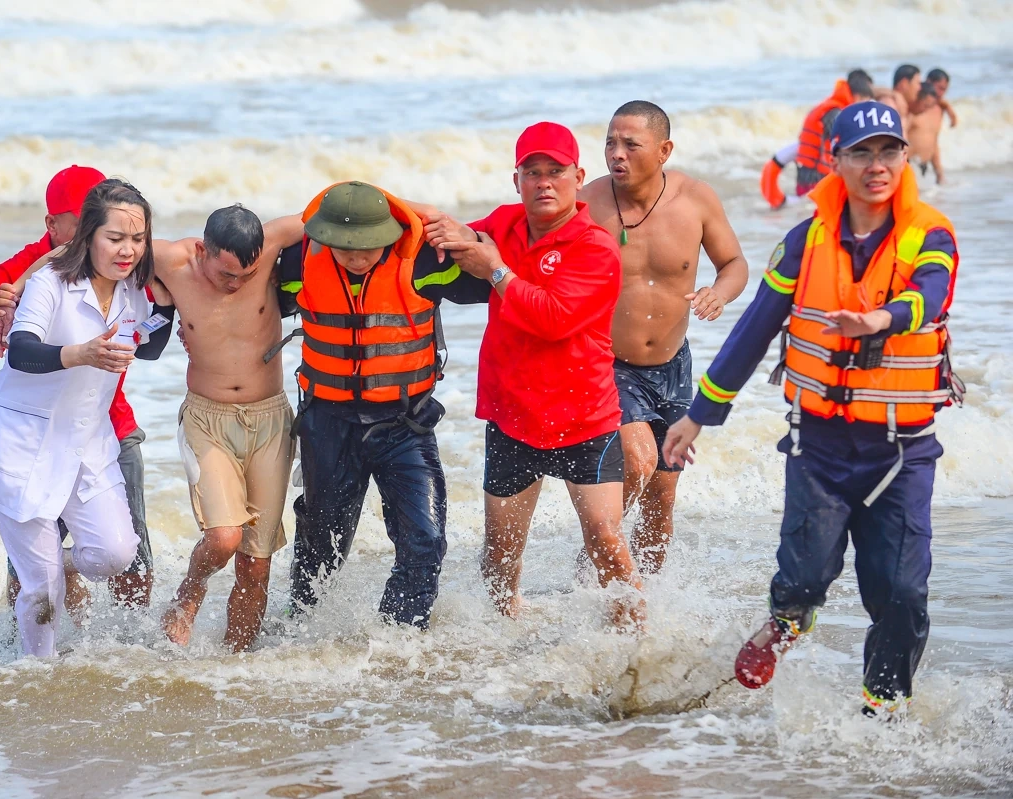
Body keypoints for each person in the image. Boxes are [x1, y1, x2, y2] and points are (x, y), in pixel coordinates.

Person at [663, 102, 961, 717]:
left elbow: (929, 295)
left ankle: (882, 709)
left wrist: (883, 317)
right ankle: (790, 620)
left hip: (901, 454)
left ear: (905, 157)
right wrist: (698, 414)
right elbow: (753, 332)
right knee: (803, 579)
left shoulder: (929, 235)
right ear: (837, 161)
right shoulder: (805, 242)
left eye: (888, 151)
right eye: (861, 152)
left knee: (901, 592)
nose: (876, 166)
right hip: (819, 448)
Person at [426, 122, 642, 627]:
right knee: (500, 558)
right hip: (512, 414)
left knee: (606, 541)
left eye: (556, 172)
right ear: (516, 178)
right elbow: (443, 229)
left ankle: (636, 643)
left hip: (584, 418)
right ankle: (510, 644)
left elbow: (552, 319)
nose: (545, 183)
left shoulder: (596, 247)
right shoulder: (504, 224)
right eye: (533, 172)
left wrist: (495, 269)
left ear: (578, 176)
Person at [0, 179, 175, 657]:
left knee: (116, 555)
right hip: (20, 443)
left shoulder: (133, 291)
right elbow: (20, 351)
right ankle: (36, 676)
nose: (128, 251)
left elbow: (152, 347)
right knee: (43, 593)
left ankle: (47, 559)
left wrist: (166, 302)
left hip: (88, 444)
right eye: (115, 238)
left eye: (137, 240)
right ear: (88, 237)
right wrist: (80, 352)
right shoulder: (50, 282)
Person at [278, 181, 491, 631]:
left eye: (368, 246)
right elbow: (245, 297)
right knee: (320, 541)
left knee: (426, 539)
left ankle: (399, 637)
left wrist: (467, 235)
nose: (357, 257)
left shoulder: (422, 262)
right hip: (327, 422)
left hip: (404, 423)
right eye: (345, 247)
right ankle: (298, 632)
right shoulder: (299, 260)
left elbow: (491, 285)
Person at [578, 101, 749, 574]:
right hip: (610, 365)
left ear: (663, 149)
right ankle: (600, 549)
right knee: (637, 460)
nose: (617, 153)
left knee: (664, 494)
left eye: (631, 144)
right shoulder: (587, 204)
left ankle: (649, 595)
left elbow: (734, 264)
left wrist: (719, 293)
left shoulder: (696, 200)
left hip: (675, 366)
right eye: (610, 142)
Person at [146, 206, 304, 652]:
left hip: (270, 418)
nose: (236, 284)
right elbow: (84, 248)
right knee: (223, 537)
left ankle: (238, 669)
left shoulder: (272, 242)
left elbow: (341, 205)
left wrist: (427, 218)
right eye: (226, 274)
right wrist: (17, 289)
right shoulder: (173, 261)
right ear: (202, 249)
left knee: (256, 565)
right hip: (208, 419)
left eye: (247, 274)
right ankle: (190, 591)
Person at [795, 69, 875, 197]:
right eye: (866, 100)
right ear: (858, 97)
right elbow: (844, 146)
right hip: (815, 181)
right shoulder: (835, 113)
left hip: (807, 179)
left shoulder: (831, 106)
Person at [908, 85, 946, 184]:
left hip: (923, 166)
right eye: (925, 105)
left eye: (929, 106)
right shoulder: (910, 113)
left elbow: (934, 143)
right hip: (909, 164)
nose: (925, 109)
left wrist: (939, 173)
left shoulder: (937, 112)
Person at [876, 64, 922, 130]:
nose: (919, 88)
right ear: (904, 83)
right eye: (917, 83)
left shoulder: (906, 106)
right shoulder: (890, 105)